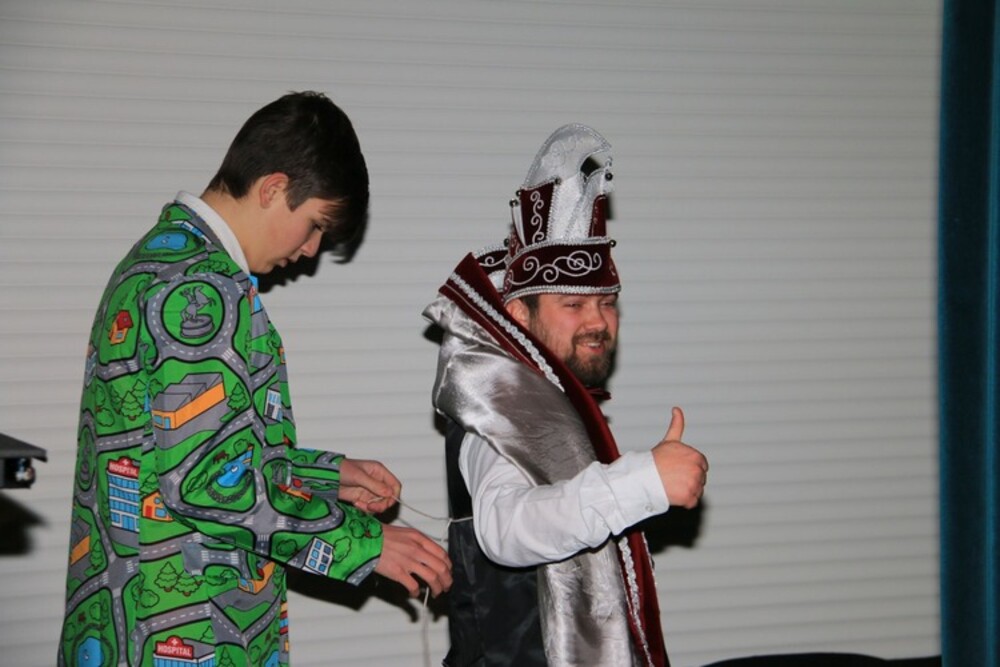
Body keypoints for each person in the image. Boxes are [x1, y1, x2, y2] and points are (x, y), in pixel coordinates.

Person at [59, 91, 452, 667]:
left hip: (138, 617)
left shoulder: (157, 262)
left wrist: (328, 475)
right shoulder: (200, 289)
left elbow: (185, 452)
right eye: (314, 225)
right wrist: (365, 545)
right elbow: (201, 482)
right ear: (272, 188)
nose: (311, 250)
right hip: (182, 630)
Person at [423, 124, 708, 667]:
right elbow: (506, 530)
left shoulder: (559, 408)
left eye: (607, 303)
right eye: (573, 306)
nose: (597, 322)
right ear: (518, 316)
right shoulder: (495, 407)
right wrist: (644, 481)